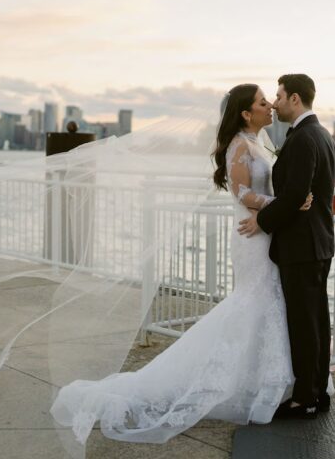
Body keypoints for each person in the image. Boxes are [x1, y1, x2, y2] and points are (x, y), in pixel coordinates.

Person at [50, 84, 314, 443]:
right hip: (252, 236)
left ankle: (262, 381)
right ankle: (246, 383)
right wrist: (279, 204)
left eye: (271, 101)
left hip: (264, 234)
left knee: (266, 305)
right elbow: (240, 192)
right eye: (262, 102)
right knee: (253, 302)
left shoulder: (261, 143)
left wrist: (288, 200)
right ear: (245, 113)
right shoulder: (239, 145)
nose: (270, 107)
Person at [238, 74, 335, 419]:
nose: (275, 103)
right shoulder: (319, 134)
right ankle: (318, 390)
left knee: (304, 324)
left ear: (295, 99)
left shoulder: (304, 138)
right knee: (316, 322)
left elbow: (296, 194)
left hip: (303, 246)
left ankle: (306, 399)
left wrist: (261, 221)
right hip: (317, 243)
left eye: (278, 96)